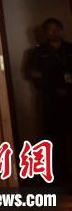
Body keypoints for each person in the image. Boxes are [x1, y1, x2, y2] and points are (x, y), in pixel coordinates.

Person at [27, 17, 72, 188]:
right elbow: (32, 73)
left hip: (71, 97)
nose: (54, 32)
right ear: (45, 33)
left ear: (62, 30)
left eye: (57, 28)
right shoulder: (38, 52)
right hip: (51, 99)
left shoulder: (70, 48)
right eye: (50, 29)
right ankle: (60, 177)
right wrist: (51, 81)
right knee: (55, 138)